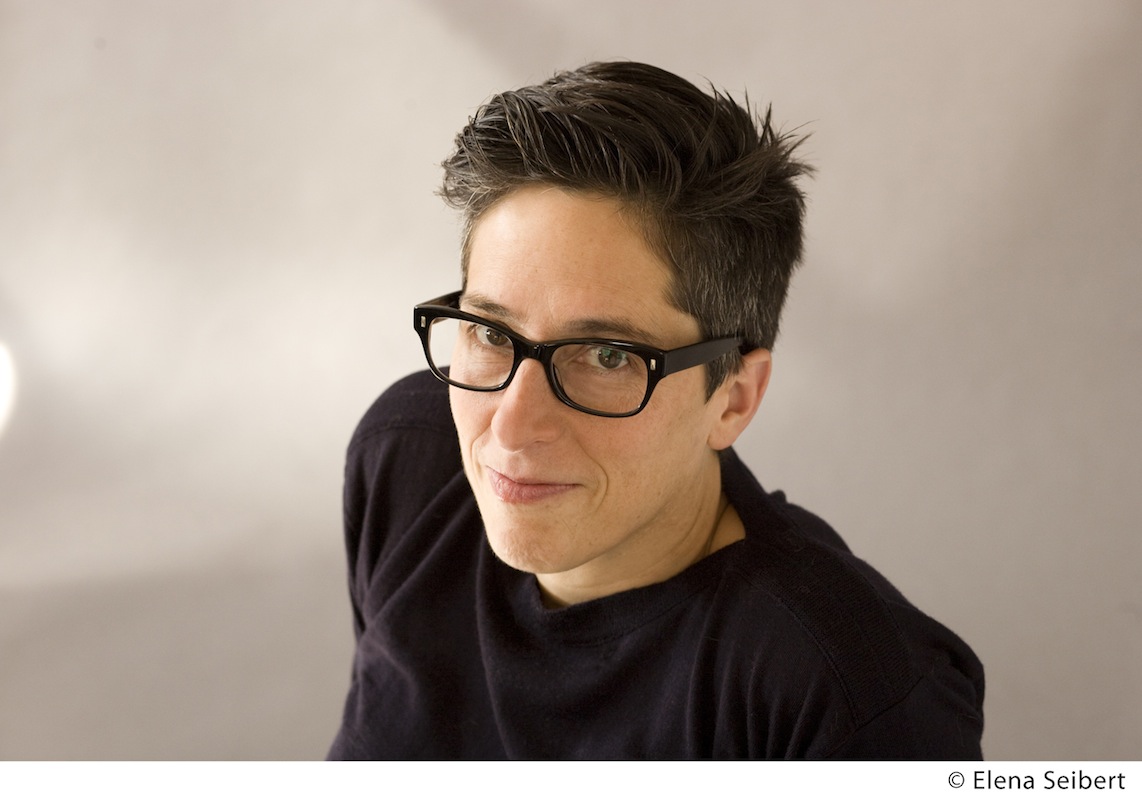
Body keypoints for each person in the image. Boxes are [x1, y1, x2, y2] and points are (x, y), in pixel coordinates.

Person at [328, 61, 984, 759]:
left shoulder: (849, 696)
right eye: (491, 334)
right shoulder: (410, 460)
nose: (511, 429)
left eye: (608, 356)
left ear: (733, 399)